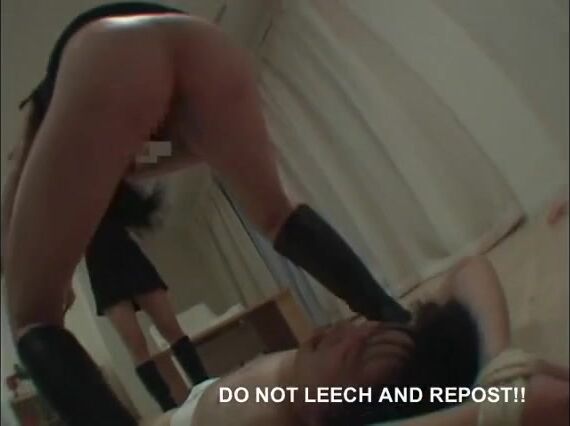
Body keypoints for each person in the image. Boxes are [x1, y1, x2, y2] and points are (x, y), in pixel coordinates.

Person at [2, 3, 409, 423]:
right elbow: (155, 152)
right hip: (207, 50)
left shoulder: (54, 120)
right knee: (277, 216)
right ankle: (398, 321)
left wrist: (27, 269)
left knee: (32, 318)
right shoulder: (114, 149)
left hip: (111, 56)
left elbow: (18, 170)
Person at [144, 256, 568, 426]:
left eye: (358, 353)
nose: (351, 330)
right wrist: (498, 360)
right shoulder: (313, 385)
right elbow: (469, 270)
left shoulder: (263, 416)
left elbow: (543, 402)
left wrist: (490, 413)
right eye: (371, 331)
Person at [84, 181, 208, 411]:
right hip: (100, 268)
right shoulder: (63, 196)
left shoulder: (103, 177)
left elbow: (133, 198)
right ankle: (167, 406)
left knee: (169, 326)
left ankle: (204, 384)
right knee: (135, 343)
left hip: (128, 255)